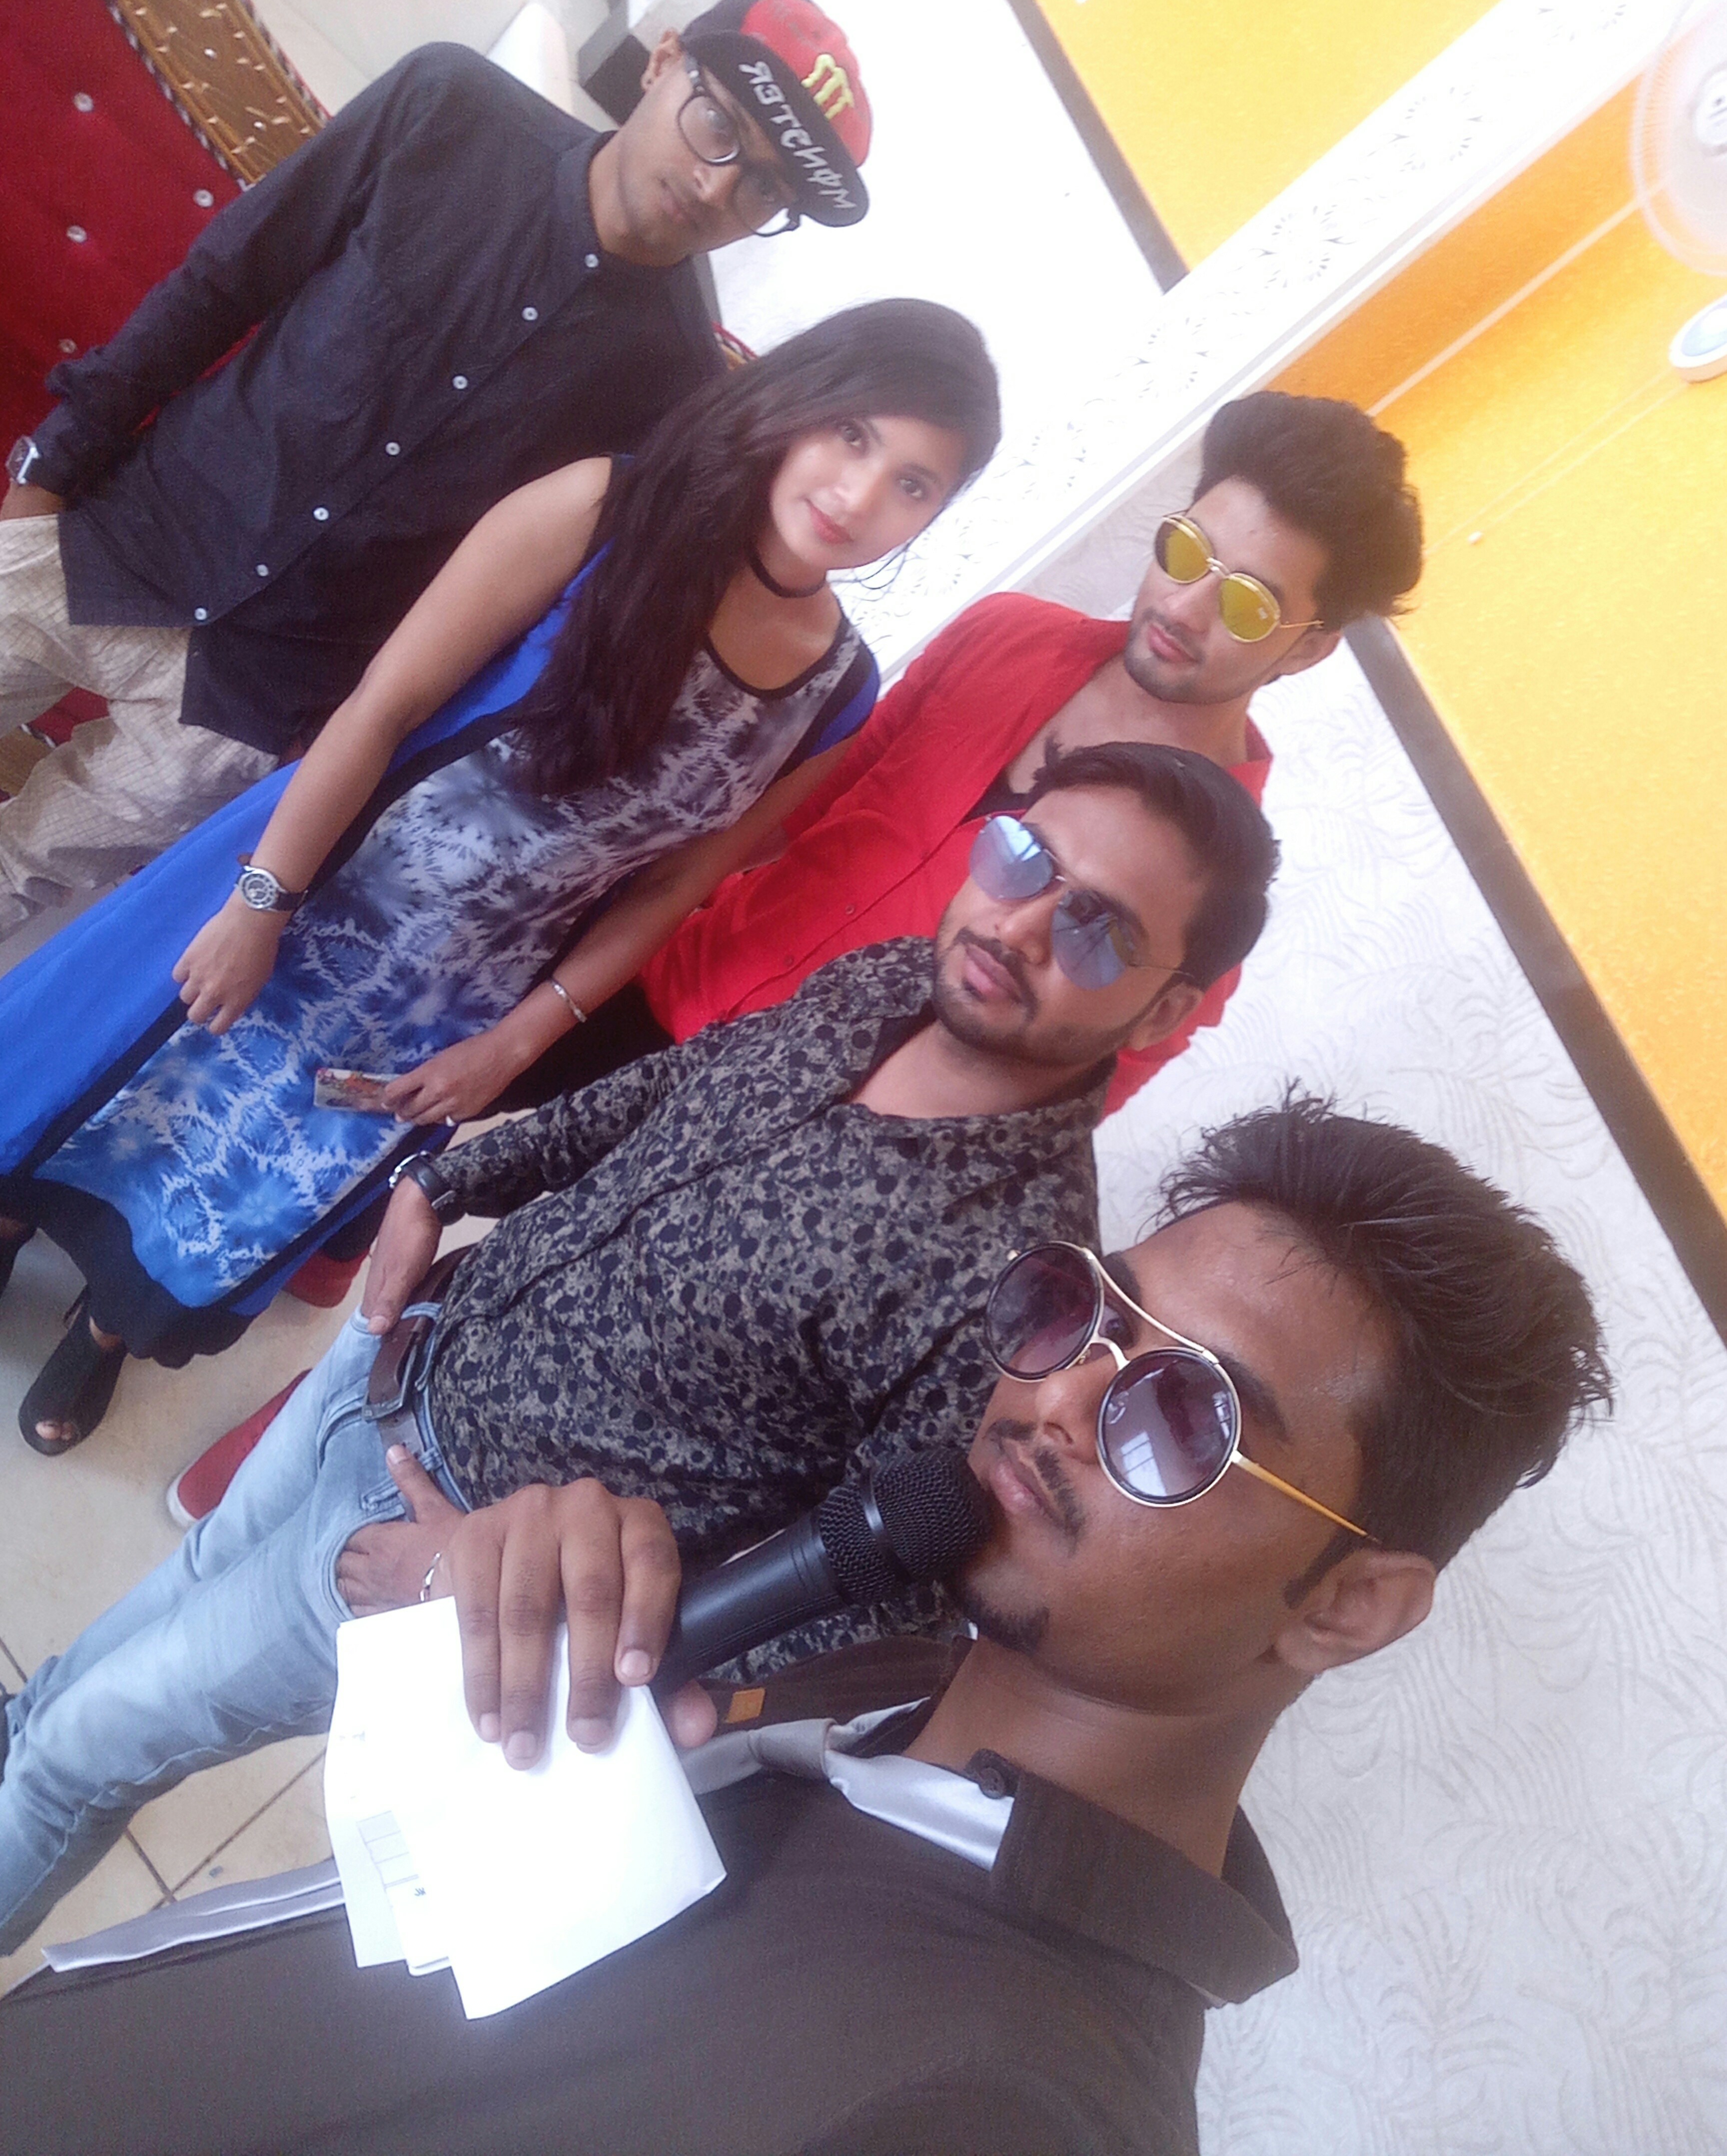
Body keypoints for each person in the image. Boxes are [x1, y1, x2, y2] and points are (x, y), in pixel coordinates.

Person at [0, 1098, 1611, 2156]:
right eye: (1083, 1313)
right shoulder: (894, 1687)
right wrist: (474, 1619)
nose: (1061, 1398)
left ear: (1350, 1605)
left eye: (1185, 1415)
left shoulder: (1007, 2102)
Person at [0, 742, 1280, 1951]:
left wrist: (505, 1608)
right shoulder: (893, 984)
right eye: (1023, 857)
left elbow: (853, 1625)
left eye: (1098, 928)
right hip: (399, 1363)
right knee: (122, 1644)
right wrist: (448, 1182)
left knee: (79, 1760)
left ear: (1164, 1006)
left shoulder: (1014, 1285)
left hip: (436, 1549)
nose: (1020, 925)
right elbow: (677, 1088)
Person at [0, 298, 1000, 1449]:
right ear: (797, 401)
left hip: (447, 1004)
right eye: (853, 435)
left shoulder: (839, 693)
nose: (860, 495)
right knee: (104, 1073)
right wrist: (261, 901)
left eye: (913, 484)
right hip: (308, 879)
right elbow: (384, 706)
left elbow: (671, 888)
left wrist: (514, 1045)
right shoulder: (602, 508)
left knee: (248, 1184)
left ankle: (107, 1330)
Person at [0, 0, 873, 933]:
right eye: (720, 126)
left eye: (764, 188)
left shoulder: (678, 389)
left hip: (253, 703)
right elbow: (228, 277)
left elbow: (514, 605)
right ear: (664, 62)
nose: (715, 187)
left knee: (18, 875)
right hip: (120, 534)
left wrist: (333, 735)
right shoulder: (449, 109)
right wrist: (48, 472)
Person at [509, 389, 1424, 1121]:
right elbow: (795, 812)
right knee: (433, 1170)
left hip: (783, 1132)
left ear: (1308, 648)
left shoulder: (1209, 894)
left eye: (1250, 604)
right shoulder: (1007, 632)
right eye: (1186, 551)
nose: (1187, 607)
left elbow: (1033, 1114)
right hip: (665, 981)